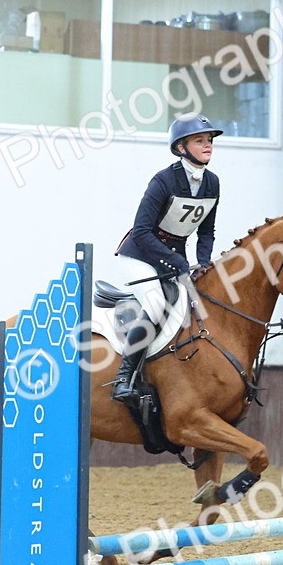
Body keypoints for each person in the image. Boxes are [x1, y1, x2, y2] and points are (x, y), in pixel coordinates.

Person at [110, 113, 223, 402]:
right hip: (140, 254)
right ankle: (123, 378)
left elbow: (206, 231)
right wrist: (179, 263)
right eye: (199, 140)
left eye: (209, 140)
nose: (208, 145)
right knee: (157, 304)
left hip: (174, 258)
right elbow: (141, 232)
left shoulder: (212, 183)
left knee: (197, 305)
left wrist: (204, 262)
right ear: (181, 148)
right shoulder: (163, 181)